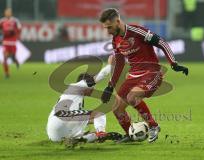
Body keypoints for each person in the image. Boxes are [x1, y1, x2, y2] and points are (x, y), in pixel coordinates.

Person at [99, 8, 189, 143]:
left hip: (152, 72)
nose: (108, 31)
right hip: (134, 74)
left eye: (109, 27)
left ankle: (154, 126)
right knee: (117, 108)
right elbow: (119, 64)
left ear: (118, 21)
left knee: (131, 96)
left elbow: (161, 42)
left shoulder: (137, 32)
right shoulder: (115, 40)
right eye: (106, 28)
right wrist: (110, 86)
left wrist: (173, 63)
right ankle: (131, 134)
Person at [47, 56, 121, 146]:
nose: (93, 89)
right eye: (91, 87)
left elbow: (84, 119)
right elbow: (102, 74)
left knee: (85, 133)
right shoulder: (78, 85)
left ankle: (90, 137)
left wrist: (94, 123)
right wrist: (112, 65)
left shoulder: (72, 97)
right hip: (61, 117)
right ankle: (101, 133)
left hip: (53, 133)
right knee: (99, 113)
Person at [0, 8, 21, 78]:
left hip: (13, 42)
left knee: (13, 57)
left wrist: (16, 35)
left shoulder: (15, 21)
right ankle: (7, 73)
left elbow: (19, 29)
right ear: (4, 13)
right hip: (5, 42)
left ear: (11, 13)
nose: (8, 13)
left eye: (9, 12)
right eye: (6, 12)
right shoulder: (2, 21)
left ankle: (16, 62)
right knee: (5, 57)